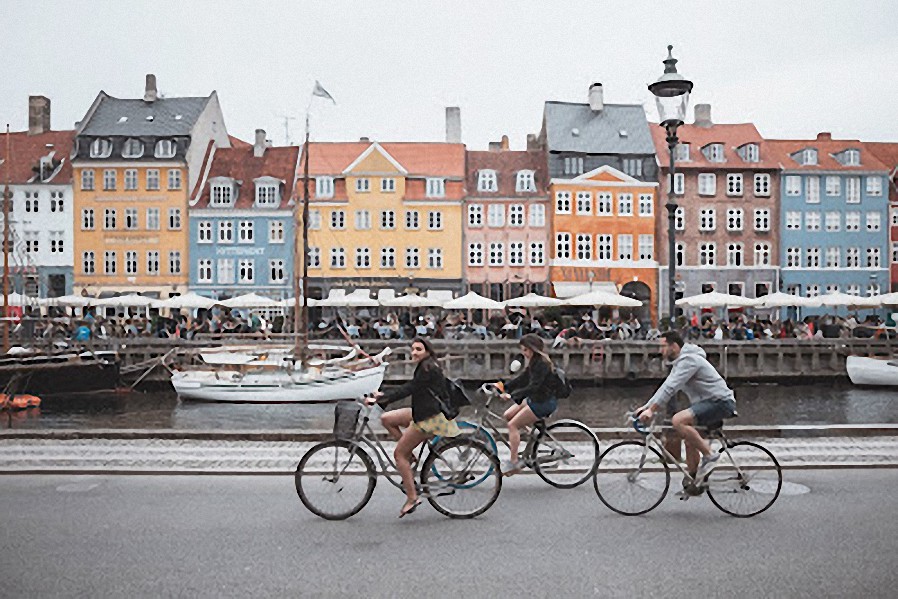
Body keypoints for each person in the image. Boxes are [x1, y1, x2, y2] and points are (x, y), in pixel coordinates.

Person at [368, 337, 459, 518]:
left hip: (428, 418)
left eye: (418, 349)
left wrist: (381, 398)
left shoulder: (427, 368)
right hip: (423, 410)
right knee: (387, 418)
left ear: (427, 351)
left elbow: (409, 388)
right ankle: (411, 457)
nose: (414, 352)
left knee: (398, 454)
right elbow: (410, 388)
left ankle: (412, 497)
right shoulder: (427, 365)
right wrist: (383, 393)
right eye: (413, 349)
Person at [637, 331, 736, 487]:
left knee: (678, 420)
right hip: (707, 403)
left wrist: (652, 410)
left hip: (720, 402)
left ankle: (710, 456)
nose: (660, 351)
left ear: (674, 346)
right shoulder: (680, 363)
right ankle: (695, 480)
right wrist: (648, 406)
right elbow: (665, 386)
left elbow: (671, 387)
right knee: (689, 439)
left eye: (663, 346)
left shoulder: (690, 361)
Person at [496, 333, 559, 475]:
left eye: (525, 350)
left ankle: (514, 463)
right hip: (535, 399)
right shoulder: (534, 362)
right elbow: (523, 378)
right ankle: (532, 435)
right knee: (508, 415)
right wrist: (503, 386)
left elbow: (533, 387)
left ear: (532, 349)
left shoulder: (542, 364)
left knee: (512, 425)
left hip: (543, 402)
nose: (523, 353)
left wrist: (512, 395)